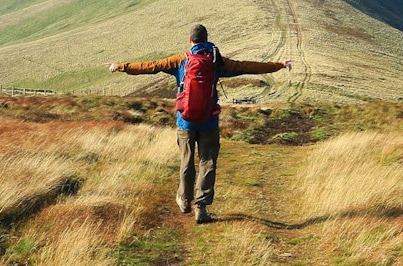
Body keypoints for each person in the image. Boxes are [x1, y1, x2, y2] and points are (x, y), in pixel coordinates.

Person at [108, 24, 292, 224]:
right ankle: (201, 206)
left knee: (186, 160)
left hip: (185, 122)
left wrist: (122, 66)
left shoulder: (180, 61)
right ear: (207, 39)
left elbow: (151, 66)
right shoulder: (215, 62)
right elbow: (247, 66)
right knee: (208, 161)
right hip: (209, 121)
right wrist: (278, 65)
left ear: (190, 40)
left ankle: (184, 200)